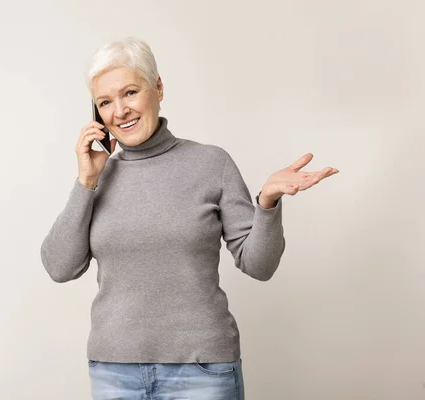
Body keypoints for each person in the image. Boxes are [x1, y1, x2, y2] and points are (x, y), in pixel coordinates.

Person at [40, 37, 338, 400]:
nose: (119, 111)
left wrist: (267, 203)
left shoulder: (212, 164)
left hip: (202, 371)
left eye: (130, 92)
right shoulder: (96, 178)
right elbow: (59, 267)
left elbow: (259, 265)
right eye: (105, 102)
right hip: (114, 372)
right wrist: (86, 181)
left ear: (158, 88)